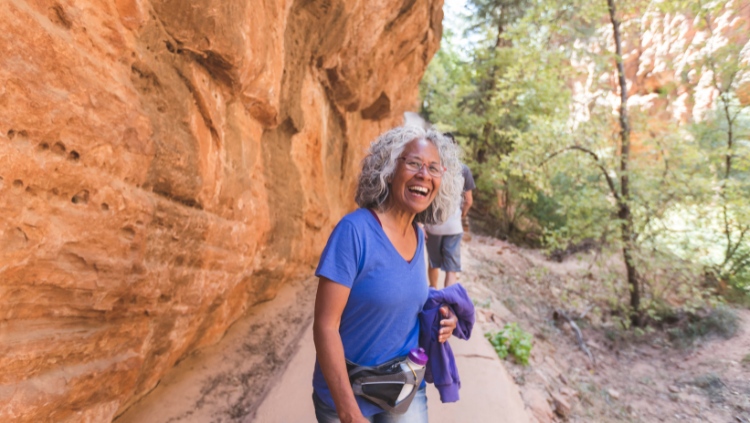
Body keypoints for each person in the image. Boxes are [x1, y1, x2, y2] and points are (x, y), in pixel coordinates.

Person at [312, 126, 464, 423]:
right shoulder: (354, 232)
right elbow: (325, 326)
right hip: (348, 393)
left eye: (433, 168)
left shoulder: (419, 235)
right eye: (413, 163)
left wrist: (442, 316)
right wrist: (348, 412)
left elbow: (403, 295)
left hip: (403, 387)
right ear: (389, 169)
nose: (424, 174)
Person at [424, 133, 476, 289]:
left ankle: (433, 294)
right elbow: (468, 200)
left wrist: (422, 222)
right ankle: (447, 302)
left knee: (433, 263)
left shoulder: (432, 167)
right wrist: (462, 214)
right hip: (453, 226)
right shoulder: (464, 170)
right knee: (451, 269)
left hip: (434, 225)